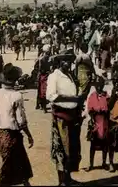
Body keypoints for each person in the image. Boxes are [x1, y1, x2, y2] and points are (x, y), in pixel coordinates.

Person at [0, 63, 34, 186]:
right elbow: (21, 120)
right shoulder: (17, 96)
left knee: (7, 165)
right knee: (20, 165)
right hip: (14, 136)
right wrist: (29, 135)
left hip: (2, 134)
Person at [46, 51, 84, 186]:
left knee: (72, 148)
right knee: (61, 148)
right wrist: (73, 99)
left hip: (73, 115)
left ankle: (68, 178)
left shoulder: (70, 75)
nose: (68, 63)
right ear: (60, 62)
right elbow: (51, 96)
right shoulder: (54, 76)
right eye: (65, 61)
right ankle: (62, 181)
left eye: (70, 61)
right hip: (61, 116)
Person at [85, 77, 110, 172]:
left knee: (105, 144)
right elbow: (89, 109)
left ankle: (104, 163)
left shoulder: (106, 96)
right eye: (97, 85)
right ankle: (91, 164)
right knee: (93, 144)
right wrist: (95, 113)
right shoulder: (92, 96)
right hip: (95, 122)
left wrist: (104, 112)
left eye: (101, 85)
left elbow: (109, 108)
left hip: (104, 122)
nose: (99, 87)